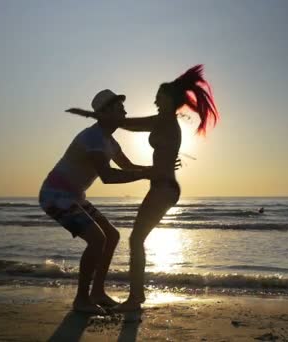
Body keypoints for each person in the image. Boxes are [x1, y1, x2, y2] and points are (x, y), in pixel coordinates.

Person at [66, 65, 220, 311]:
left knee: (136, 240)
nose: (155, 100)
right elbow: (130, 129)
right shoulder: (165, 122)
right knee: (136, 240)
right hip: (162, 186)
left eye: (159, 96)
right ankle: (134, 297)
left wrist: (90, 114)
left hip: (164, 188)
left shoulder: (164, 121)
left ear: (170, 100)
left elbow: (127, 123)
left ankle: (135, 299)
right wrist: (154, 167)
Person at [39, 89, 154, 315]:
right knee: (97, 240)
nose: (125, 112)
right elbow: (108, 176)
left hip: (74, 196)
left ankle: (97, 293)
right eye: (120, 108)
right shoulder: (92, 137)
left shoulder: (110, 141)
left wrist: (154, 170)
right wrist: (146, 175)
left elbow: (127, 166)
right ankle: (81, 299)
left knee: (112, 235)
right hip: (55, 195)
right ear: (105, 113)